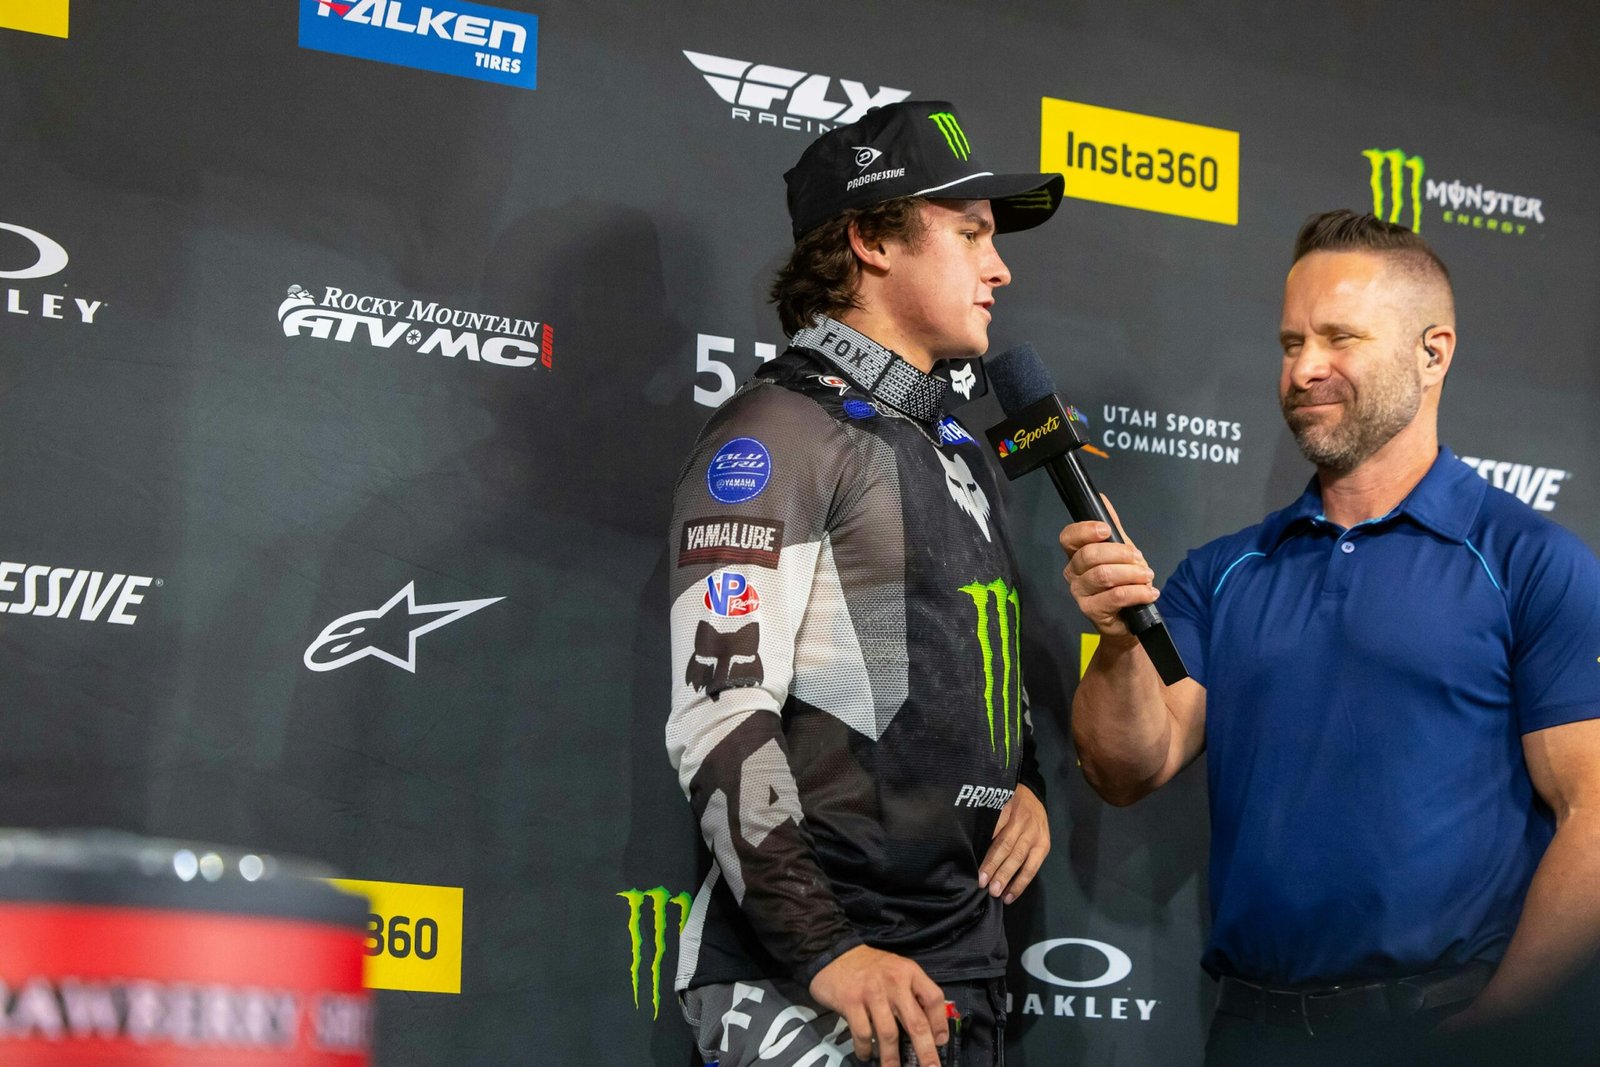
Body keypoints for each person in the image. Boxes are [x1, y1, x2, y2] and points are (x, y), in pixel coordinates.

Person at [1062, 210, 1600, 1065]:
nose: (1304, 368)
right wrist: (1119, 642)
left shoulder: (1529, 562)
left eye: (1339, 337)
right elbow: (1128, 766)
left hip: (1442, 1028)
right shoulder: (1224, 571)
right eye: (1291, 342)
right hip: (1251, 1033)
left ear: (1433, 352)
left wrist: (1503, 1022)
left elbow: (1592, 811)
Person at [666, 101, 1065, 1067]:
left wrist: (1025, 781)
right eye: (969, 233)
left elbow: (965, 661)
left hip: (959, 964)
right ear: (871, 240)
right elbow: (719, 716)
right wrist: (828, 950)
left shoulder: (956, 444)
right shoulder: (778, 431)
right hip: (816, 981)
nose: (1000, 268)